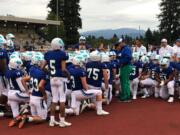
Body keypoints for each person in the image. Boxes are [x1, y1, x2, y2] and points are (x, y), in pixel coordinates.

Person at [42, 37, 71, 127]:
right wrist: (69, 76)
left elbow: (42, 67)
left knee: (54, 100)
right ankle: (62, 121)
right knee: (62, 100)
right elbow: (63, 69)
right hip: (60, 79)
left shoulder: (48, 54)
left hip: (52, 79)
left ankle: (52, 120)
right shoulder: (62, 54)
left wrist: (50, 73)